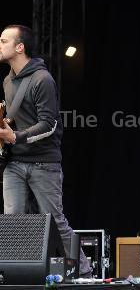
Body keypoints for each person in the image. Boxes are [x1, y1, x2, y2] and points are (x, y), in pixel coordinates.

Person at [0, 24, 93, 277]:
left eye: (3, 41)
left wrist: (15, 135)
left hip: (44, 163)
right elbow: (19, 120)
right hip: (15, 164)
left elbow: (49, 124)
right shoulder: (8, 81)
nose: (0, 45)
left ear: (20, 47)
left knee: (54, 220)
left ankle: (85, 274)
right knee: (13, 223)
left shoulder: (42, 79)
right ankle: (16, 274)